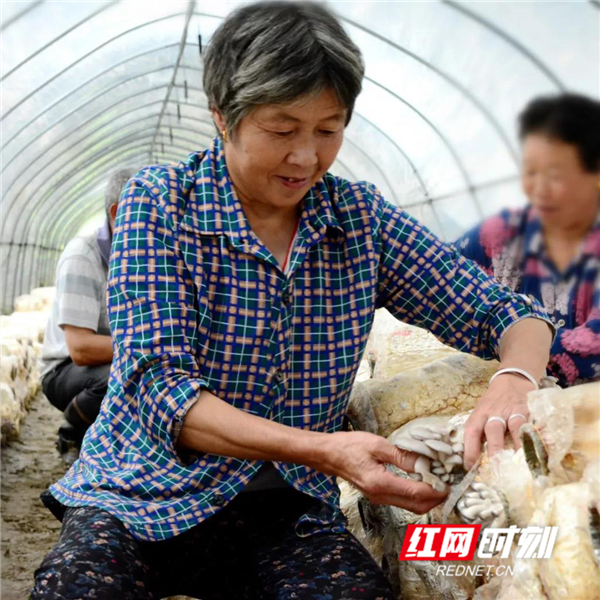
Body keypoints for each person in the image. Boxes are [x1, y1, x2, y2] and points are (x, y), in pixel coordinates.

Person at [32, 4, 553, 599]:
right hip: (142, 494)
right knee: (77, 588)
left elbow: (507, 312)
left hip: (284, 510)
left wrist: (514, 378)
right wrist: (327, 451)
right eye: (282, 130)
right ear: (223, 118)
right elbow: (159, 390)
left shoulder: (358, 220)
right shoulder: (160, 206)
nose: (306, 157)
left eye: (328, 130)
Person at [457, 94, 600, 386]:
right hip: (507, 393)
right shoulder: (503, 233)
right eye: (531, 171)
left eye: (556, 174)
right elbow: (441, 275)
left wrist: (517, 355)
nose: (539, 189)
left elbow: (593, 343)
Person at [39, 168, 136, 462]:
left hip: (119, 358)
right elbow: (80, 348)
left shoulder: (144, 257)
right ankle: (75, 426)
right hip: (67, 370)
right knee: (120, 378)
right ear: (118, 213)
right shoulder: (84, 255)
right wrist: (147, 348)